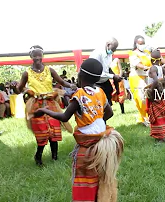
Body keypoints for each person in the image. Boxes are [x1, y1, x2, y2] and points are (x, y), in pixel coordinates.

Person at [34, 58, 124, 202]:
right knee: (102, 177)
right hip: (102, 140)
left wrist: (45, 110)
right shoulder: (100, 92)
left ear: (80, 75)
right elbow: (110, 113)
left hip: (88, 144)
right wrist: (97, 122)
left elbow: (64, 117)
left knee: (86, 181)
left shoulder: (79, 95)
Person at [17, 45, 76, 166]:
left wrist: (71, 86)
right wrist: (22, 89)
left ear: (42, 56)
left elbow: (61, 81)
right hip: (36, 105)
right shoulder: (26, 73)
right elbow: (19, 88)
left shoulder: (50, 70)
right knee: (41, 130)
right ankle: (38, 156)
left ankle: (55, 156)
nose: (37, 58)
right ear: (31, 57)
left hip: (51, 102)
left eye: (39, 56)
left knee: (54, 128)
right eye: (35, 56)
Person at [128, 35, 165, 126]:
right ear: (136, 44)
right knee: (140, 98)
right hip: (137, 77)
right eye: (140, 43)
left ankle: (148, 116)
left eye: (143, 43)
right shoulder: (133, 53)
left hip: (148, 76)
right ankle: (146, 118)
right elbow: (138, 64)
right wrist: (147, 67)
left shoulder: (147, 52)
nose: (142, 45)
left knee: (148, 97)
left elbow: (157, 58)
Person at [89, 37, 122, 109]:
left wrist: (115, 75)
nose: (114, 50)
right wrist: (112, 76)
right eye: (114, 48)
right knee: (99, 102)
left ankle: (104, 117)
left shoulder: (109, 54)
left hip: (104, 81)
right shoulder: (97, 53)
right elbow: (96, 71)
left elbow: (107, 68)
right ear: (108, 44)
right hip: (96, 81)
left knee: (108, 101)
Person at [145, 63, 165, 144]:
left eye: (150, 72)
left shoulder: (153, 71)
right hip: (163, 101)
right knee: (164, 118)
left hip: (156, 103)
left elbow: (156, 81)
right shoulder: (162, 72)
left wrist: (154, 77)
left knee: (158, 120)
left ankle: (161, 138)